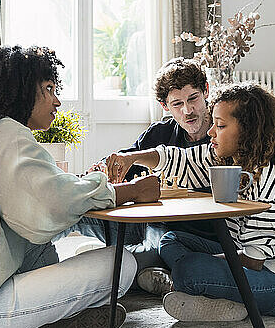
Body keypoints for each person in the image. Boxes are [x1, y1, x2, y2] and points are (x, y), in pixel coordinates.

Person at [0, 45, 159, 328]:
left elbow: (42, 197)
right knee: (122, 264)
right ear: (20, 91)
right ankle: (49, 322)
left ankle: (46, 326)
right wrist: (132, 191)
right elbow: (56, 200)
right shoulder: (5, 132)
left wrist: (83, 184)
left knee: (35, 240)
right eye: (48, 89)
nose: (57, 100)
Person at [106, 83, 275, 321]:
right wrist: (132, 157)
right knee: (172, 240)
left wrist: (207, 263)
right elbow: (183, 160)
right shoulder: (228, 158)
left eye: (221, 126)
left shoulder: (268, 182)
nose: (210, 133)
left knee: (191, 269)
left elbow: (253, 261)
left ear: (248, 131)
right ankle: (215, 294)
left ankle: (194, 285)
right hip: (252, 258)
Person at [65, 58, 215, 289]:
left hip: (188, 233)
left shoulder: (221, 134)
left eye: (193, 98)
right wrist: (102, 170)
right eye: (177, 104)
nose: (188, 111)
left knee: (129, 264)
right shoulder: (159, 133)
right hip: (147, 222)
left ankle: (140, 266)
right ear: (165, 106)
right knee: (70, 213)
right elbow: (126, 161)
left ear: (205, 91)